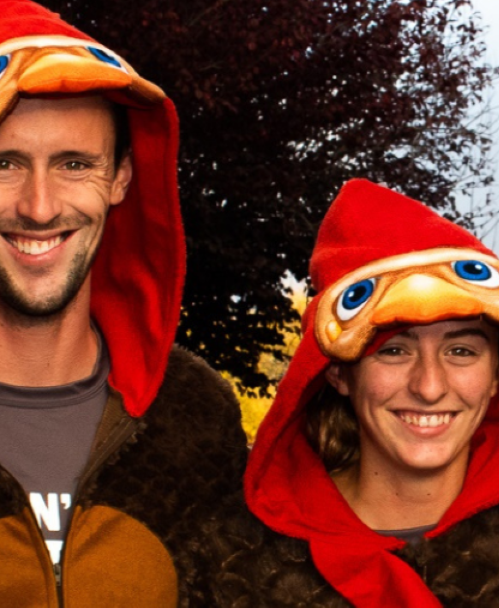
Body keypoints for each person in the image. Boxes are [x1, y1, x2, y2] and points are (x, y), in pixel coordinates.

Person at [209, 179, 499, 606]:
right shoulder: (236, 559)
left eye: (461, 350)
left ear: (496, 377)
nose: (429, 387)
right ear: (338, 373)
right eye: (393, 350)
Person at [0, 1, 247, 604]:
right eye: (4, 164)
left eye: (75, 164)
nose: (38, 206)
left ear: (121, 179)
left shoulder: (196, 414)